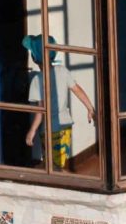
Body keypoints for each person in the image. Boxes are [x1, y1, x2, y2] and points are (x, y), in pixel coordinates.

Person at [22, 35, 95, 170]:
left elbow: (41, 111)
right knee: (58, 163)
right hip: (65, 127)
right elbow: (77, 90)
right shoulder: (63, 71)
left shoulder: (37, 80)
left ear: (34, 57)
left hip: (50, 130)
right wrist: (90, 108)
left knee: (53, 167)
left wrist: (31, 131)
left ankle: (66, 186)